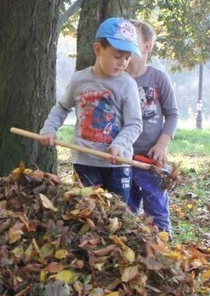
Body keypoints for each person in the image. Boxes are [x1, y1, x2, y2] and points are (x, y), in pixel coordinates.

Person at [39, 17, 142, 201]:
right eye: (117, 56)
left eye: (127, 58)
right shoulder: (79, 80)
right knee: (87, 210)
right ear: (98, 49)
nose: (122, 63)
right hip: (85, 161)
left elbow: (134, 124)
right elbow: (62, 107)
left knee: (118, 215)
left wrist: (119, 145)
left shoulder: (128, 84)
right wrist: (49, 128)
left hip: (118, 165)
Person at [126, 20, 179, 234]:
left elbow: (172, 114)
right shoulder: (118, 79)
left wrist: (162, 145)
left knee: (156, 207)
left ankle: (162, 243)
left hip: (151, 158)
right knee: (124, 207)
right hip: (124, 156)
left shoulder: (158, 78)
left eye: (132, 40)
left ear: (147, 46)